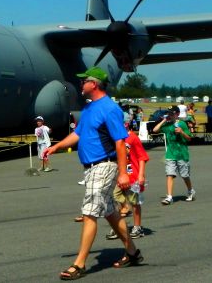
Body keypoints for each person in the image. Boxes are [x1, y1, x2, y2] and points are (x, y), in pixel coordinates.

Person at [43, 67, 142, 280]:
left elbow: (119, 141)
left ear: (94, 84)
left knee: (89, 213)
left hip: (104, 166)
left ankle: (79, 264)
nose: (81, 84)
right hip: (90, 169)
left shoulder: (109, 108)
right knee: (110, 213)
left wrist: (123, 173)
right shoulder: (88, 109)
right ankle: (132, 252)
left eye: (84, 81)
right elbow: (77, 134)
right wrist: (56, 146)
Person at [106, 119, 150, 240]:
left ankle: (137, 227)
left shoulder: (133, 138)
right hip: (120, 176)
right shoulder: (115, 139)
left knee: (135, 202)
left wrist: (141, 175)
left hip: (133, 175)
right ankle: (119, 226)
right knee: (115, 197)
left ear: (125, 124)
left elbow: (142, 157)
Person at [153, 105, 195, 205]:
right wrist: (164, 120)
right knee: (169, 174)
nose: (170, 115)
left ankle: (190, 191)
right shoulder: (167, 125)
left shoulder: (182, 124)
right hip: (170, 154)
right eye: (169, 113)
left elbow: (189, 138)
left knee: (185, 175)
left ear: (177, 114)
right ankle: (169, 197)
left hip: (182, 154)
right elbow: (155, 130)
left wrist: (181, 132)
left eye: (172, 113)